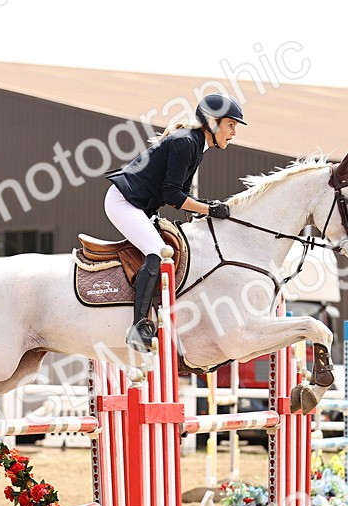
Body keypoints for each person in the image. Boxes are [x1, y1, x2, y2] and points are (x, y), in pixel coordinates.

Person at [104, 93, 246, 352]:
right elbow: (173, 196)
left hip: (140, 205)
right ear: (213, 123)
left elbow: (183, 195)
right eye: (231, 124)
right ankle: (138, 326)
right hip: (124, 202)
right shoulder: (185, 143)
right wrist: (210, 209)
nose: (234, 132)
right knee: (157, 252)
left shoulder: (195, 146)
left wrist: (207, 208)